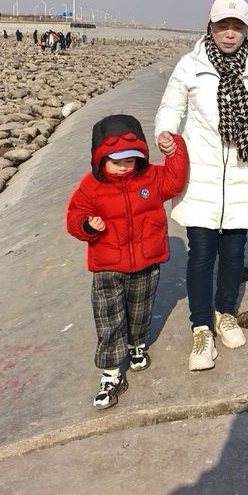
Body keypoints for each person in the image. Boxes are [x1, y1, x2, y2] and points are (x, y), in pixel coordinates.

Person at [155, 0, 248, 372]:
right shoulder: (191, 64)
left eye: (237, 27)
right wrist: (165, 132)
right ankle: (201, 327)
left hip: (243, 173)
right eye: (223, 26)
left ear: (246, 29)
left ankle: (226, 314)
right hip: (200, 174)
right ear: (210, 26)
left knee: (234, 254)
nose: (229, 34)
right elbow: (171, 106)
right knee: (201, 255)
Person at [66, 114, 188, 409]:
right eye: (116, 160)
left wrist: (175, 149)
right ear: (100, 159)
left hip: (146, 264)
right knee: (109, 319)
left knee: (140, 310)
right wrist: (86, 225)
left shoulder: (150, 178)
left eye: (130, 160)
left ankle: (137, 344)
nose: (123, 166)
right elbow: (74, 216)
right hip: (107, 267)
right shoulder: (90, 186)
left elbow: (174, 181)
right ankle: (109, 373)